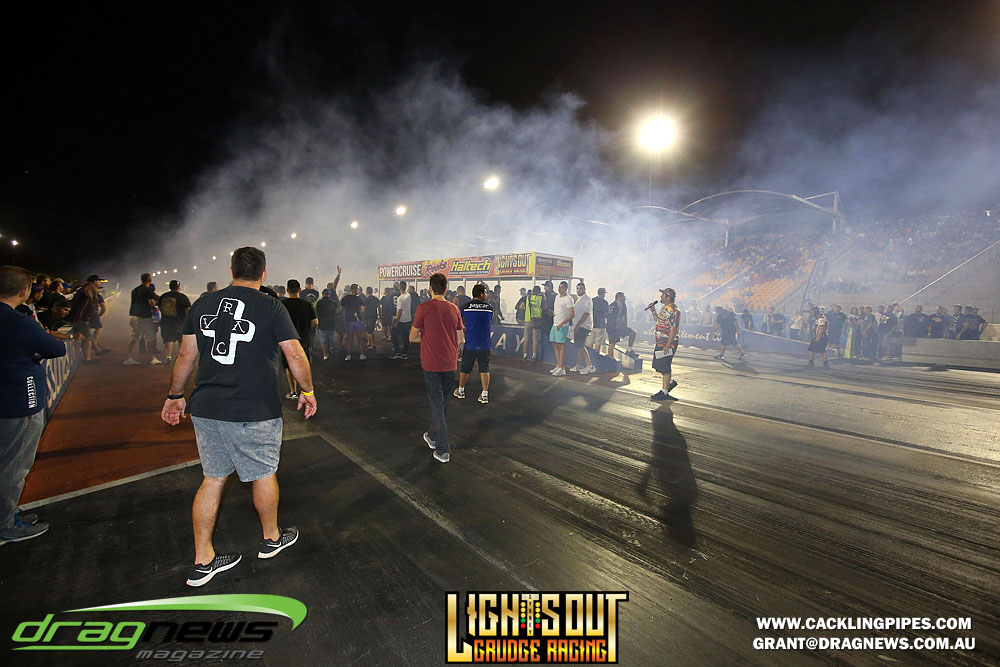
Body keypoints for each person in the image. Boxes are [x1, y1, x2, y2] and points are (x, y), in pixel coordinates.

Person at [161, 246, 316, 587]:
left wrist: (174, 396)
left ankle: (203, 560)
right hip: (254, 407)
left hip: (207, 406)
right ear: (264, 273)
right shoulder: (270, 305)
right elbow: (294, 353)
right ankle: (271, 539)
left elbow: (186, 356)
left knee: (213, 478)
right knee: (263, 473)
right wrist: (307, 390)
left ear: (231, 271)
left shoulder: (203, 304)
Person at [1, 265, 67, 545]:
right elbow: (56, 348)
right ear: (24, 291)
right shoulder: (19, 320)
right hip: (19, 400)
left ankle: (5, 513)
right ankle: (5, 523)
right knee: (14, 465)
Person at [410, 272, 464, 463]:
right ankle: (433, 435)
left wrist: (426, 338)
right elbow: (461, 339)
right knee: (442, 404)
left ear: (430, 289)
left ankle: (443, 448)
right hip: (449, 363)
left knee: (437, 404)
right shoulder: (454, 309)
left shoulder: (423, 308)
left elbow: (412, 337)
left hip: (431, 364)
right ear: (446, 289)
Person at [455, 284, 493, 403]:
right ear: (481, 294)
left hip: (470, 343)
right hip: (485, 344)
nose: (486, 294)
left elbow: (457, 317)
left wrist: (463, 327)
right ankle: (485, 394)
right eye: (485, 292)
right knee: (484, 369)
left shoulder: (466, 306)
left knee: (465, 369)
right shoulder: (489, 307)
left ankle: (461, 390)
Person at [648, 288, 680, 401]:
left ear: (668, 297)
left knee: (665, 366)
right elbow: (658, 320)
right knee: (658, 365)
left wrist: (668, 344)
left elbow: (674, 329)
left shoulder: (674, 310)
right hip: (660, 342)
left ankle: (664, 392)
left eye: (663, 295)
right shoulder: (664, 308)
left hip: (668, 343)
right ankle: (669, 382)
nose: (660, 296)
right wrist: (653, 311)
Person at [123, 272, 162, 365]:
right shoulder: (148, 290)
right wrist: (157, 303)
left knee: (133, 337)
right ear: (150, 280)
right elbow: (152, 303)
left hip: (134, 316)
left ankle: (127, 358)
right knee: (151, 338)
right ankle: (151, 358)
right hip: (144, 317)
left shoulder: (135, 290)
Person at [158, 280, 192, 363]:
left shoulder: (163, 296)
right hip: (180, 322)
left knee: (169, 339)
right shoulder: (182, 297)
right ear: (179, 287)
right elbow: (188, 309)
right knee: (181, 340)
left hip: (166, 322)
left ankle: (168, 357)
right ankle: (181, 357)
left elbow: (160, 307)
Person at [548, 281, 575, 376]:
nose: (560, 289)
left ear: (566, 289)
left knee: (561, 345)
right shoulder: (557, 297)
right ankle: (559, 365)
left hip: (562, 326)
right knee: (554, 344)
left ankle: (561, 367)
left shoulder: (569, 299)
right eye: (559, 287)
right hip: (555, 324)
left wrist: (562, 323)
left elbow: (572, 314)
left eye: (562, 287)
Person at [570, 282, 595, 374]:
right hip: (578, 326)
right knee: (578, 346)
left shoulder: (587, 298)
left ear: (585, 289)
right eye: (577, 288)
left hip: (583, 326)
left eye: (581, 288)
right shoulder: (579, 299)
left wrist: (578, 325)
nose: (579, 290)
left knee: (581, 346)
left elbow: (586, 313)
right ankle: (579, 365)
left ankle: (590, 366)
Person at [341, 284, 366, 360]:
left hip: (349, 320)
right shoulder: (358, 298)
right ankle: (362, 355)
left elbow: (341, 309)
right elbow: (362, 310)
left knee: (350, 338)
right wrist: (363, 320)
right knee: (360, 338)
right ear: (353, 289)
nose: (358, 291)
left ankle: (348, 355)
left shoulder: (345, 298)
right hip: (358, 320)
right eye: (357, 289)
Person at [391, 280, 413, 359]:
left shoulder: (400, 298)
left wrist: (396, 321)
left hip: (401, 320)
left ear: (400, 287)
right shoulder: (408, 295)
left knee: (394, 336)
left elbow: (399, 311)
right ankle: (404, 353)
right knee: (405, 337)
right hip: (408, 319)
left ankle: (397, 352)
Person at [315, 289, 338, 360]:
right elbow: (336, 312)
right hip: (331, 323)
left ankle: (325, 355)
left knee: (323, 339)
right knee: (330, 337)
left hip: (321, 323)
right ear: (329, 295)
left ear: (322, 294)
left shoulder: (318, 302)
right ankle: (330, 348)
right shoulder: (333, 302)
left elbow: (315, 311)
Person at [523, 286, 544, 362]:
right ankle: (534, 356)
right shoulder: (540, 298)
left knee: (526, 338)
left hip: (528, 319)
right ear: (539, 291)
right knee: (535, 339)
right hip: (537, 320)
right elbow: (544, 307)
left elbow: (522, 306)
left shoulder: (528, 297)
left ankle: (525, 355)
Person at [589, 287, 609, 355]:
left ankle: (590, 355)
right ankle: (596, 356)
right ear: (603, 293)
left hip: (592, 324)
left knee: (591, 341)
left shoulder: (592, 300)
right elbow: (607, 314)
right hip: (600, 325)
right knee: (598, 342)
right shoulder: (605, 302)